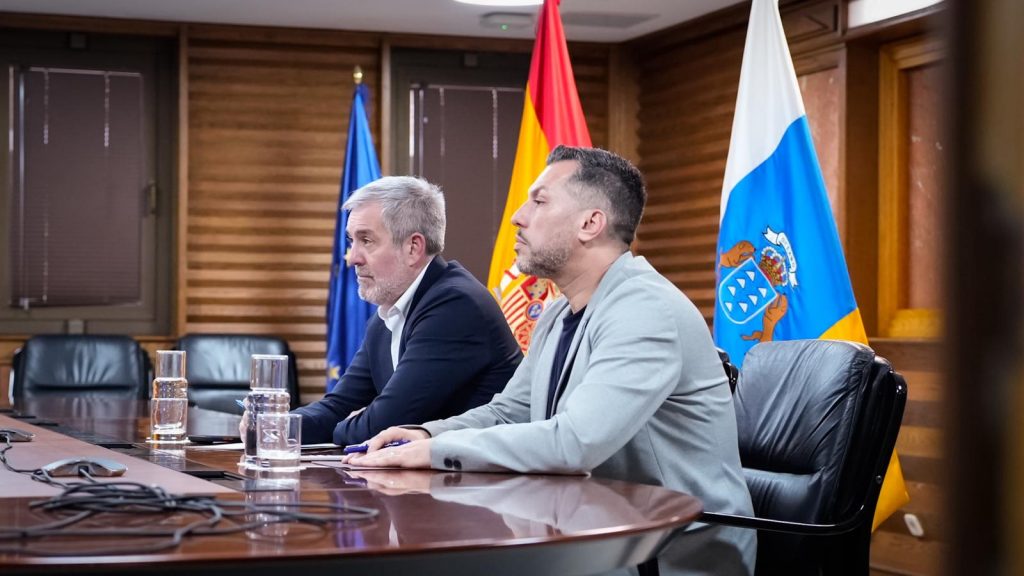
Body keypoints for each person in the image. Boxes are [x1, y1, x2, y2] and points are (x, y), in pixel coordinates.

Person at [346, 147, 757, 575]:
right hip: (595, 536)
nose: (517, 217)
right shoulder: (560, 313)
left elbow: (575, 443)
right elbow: (509, 412)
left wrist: (434, 452)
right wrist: (423, 434)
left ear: (590, 223)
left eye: (539, 201)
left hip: (669, 554)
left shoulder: (645, 309)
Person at [293, 176, 522, 445]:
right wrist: (270, 426)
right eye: (351, 241)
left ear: (413, 248)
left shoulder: (455, 306)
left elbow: (383, 424)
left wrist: (349, 425)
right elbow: (338, 407)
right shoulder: (388, 315)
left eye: (366, 240)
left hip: (484, 471)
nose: (353, 258)